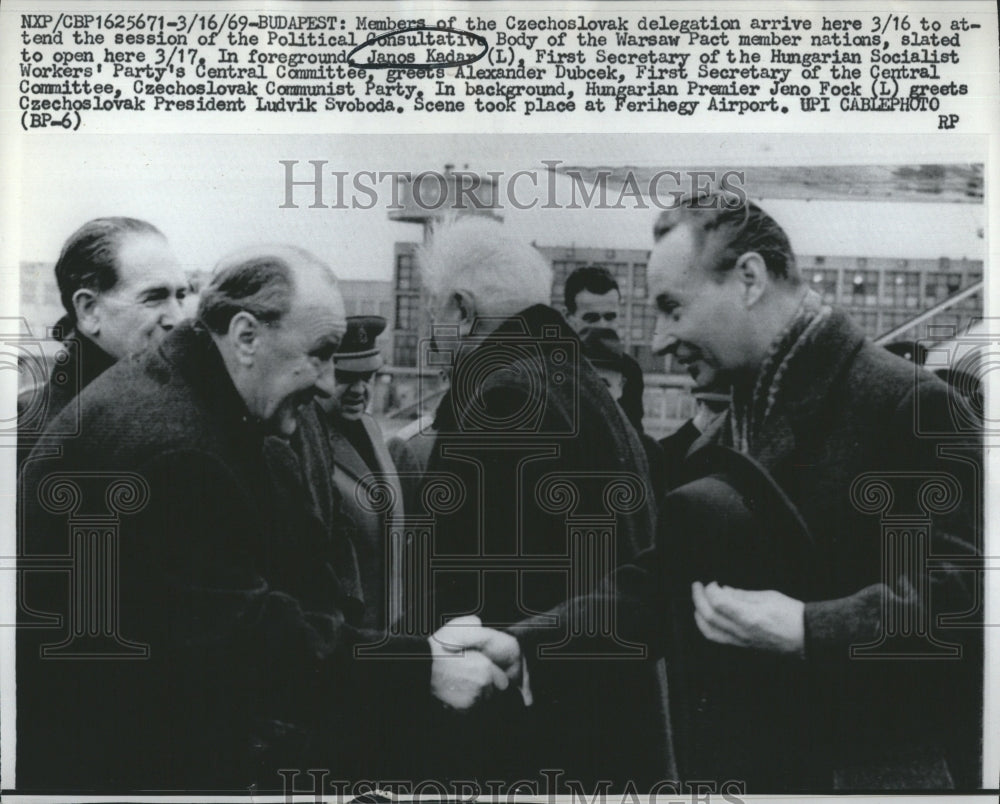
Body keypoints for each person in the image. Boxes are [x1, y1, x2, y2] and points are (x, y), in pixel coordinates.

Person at [477, 195, 982, 792]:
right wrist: (527, 641)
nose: (660, 340)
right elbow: (665, 583)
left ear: (748, 279)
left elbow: (967, 599)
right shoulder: (740, 417)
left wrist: (810, 628)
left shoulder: (908, 404)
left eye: (672, 308)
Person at [17, 244, 522, 791]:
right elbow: (247, 640)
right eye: (321, 353)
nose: (330, 381)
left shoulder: (193, 400)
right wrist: (422, 665)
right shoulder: (178, 450)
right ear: (246, 336)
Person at [415, 217, 671, 787]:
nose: (434, 328)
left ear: (461, 306)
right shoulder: (573, 377)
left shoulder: (502, 396)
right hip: (599, 708)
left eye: (436, 309)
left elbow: (464, 592)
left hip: (529, 731)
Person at [18, 217, 189, 434]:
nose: (178, 319)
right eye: (154, 298)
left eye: (181, 296)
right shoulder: (31, 425)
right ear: (89, 310)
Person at [300, 315, 404, 631]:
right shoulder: (303, 438)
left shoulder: (370, 428)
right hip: (343, 637)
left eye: (368, 377)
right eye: (346, 377)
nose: (359, 390)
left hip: (388, 627)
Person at [563, 265, 647, 433]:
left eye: (610, 317)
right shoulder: (553, 365)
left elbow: (636, 438)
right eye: (591, 318)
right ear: (568, 318)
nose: (602, 326)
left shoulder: (630, 370)